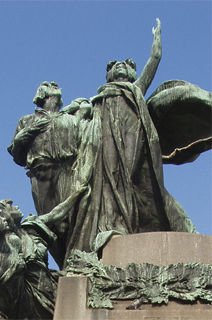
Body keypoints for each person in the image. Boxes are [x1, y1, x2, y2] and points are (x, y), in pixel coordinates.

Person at [62, 19, 212, 266]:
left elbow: (154, 61)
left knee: (142, 194)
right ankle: (111, 235)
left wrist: (156, 43)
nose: (119, 67)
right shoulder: (95, 102)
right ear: (108, 75)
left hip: (132, 155)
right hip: (104, 159)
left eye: (126, 66)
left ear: (132, 74)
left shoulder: (135, 91)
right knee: (107, 193)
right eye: (113, 66)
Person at [0, 187, 87, 319]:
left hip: (46, 288)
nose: (16, 207)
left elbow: (55, 214)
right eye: (11, 206)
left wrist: (76, 195)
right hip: (22, 301)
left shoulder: (24, 233)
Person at [8, 81, 92, 217]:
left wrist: (74, 107)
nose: (54, 84)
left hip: (67, 171)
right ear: (41, 94)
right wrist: (20, 139)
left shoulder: (70, 120)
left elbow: (87, 116)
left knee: (68, 218)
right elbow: (18, 157)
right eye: (49, 85)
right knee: (46, 217)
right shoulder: (27, 121)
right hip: (41, 172)